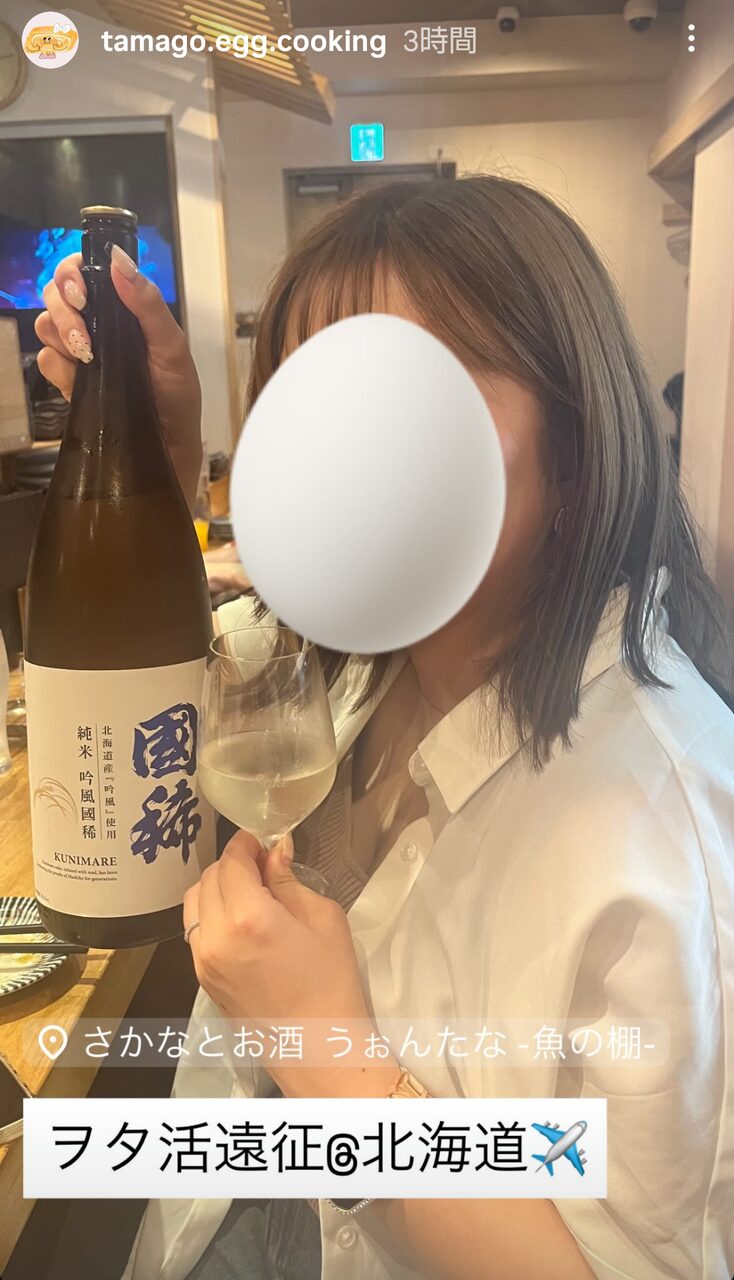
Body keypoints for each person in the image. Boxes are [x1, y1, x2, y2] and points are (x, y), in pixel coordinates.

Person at [37, 176, 734, 1280]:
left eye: (408, 400)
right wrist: (159, 457)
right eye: (310, 404)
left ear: (573, 443)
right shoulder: (371, 661)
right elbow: (194, 681)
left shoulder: (667, 833)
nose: (342, 458)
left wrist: (338, 1070)